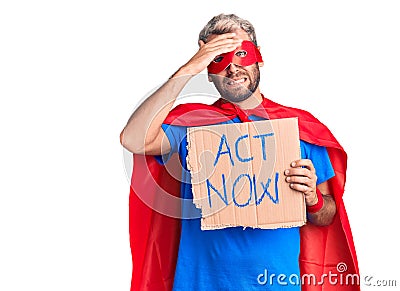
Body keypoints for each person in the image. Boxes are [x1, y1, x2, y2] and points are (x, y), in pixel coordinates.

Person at [121, 14, 359, 291]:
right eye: (218, 58)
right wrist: (188, 69)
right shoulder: (191, 126)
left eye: (242, 54)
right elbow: (133, 139)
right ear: (208, 72)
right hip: (200, 284)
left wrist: (313, 197)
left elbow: (326, 216)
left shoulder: (297, 127)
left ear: (259, 59)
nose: (233, 68)